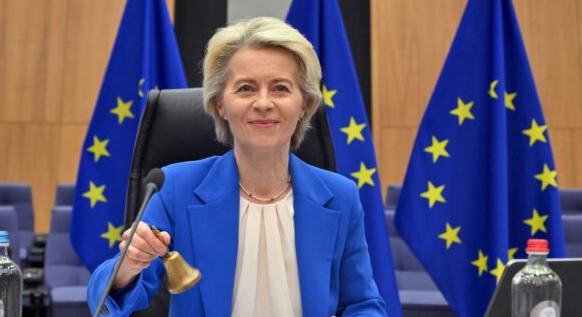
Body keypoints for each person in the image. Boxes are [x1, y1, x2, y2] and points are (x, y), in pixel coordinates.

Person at [87, 17, 386, 316]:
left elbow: (362, 303)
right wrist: (130, 264)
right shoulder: (176, 188)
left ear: (305, 104)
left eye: (280, 88)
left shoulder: (341, 196)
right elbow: (105, 301)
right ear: (220, 104)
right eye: (246, 88)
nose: (263, 102)